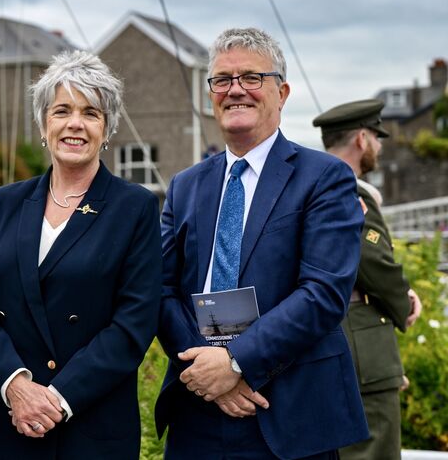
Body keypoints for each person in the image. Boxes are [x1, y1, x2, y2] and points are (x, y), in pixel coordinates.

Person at [155, 27, 370, 459]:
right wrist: (206, 371)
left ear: (282, 92)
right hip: (197, 410)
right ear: (211, 95)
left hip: (288, 410)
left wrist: (236, 362)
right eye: (222, 80)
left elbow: (323, 293)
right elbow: (158, 288)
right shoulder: (184, 186)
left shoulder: (325, 178)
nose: (235, 90)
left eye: (252, 77)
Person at [0, 50, 161, 459]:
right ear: (43, 124)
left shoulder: (135, 208)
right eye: (62, 111)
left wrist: (56, 399)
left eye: (90, 113)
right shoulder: (3, 203)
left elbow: (134, 324)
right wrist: (16, 385)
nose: (75, 123)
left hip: (90, 427)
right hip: (8, 423)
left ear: (107, 128)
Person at [313, 99, 422, 460]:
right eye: (376, 137)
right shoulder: (348, 190)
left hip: (325, 340)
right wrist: (404, 303)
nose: (378, 146)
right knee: (372, 450)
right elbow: (371, 260)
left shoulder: (311, 187)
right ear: (362, 139)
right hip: (361, 347)